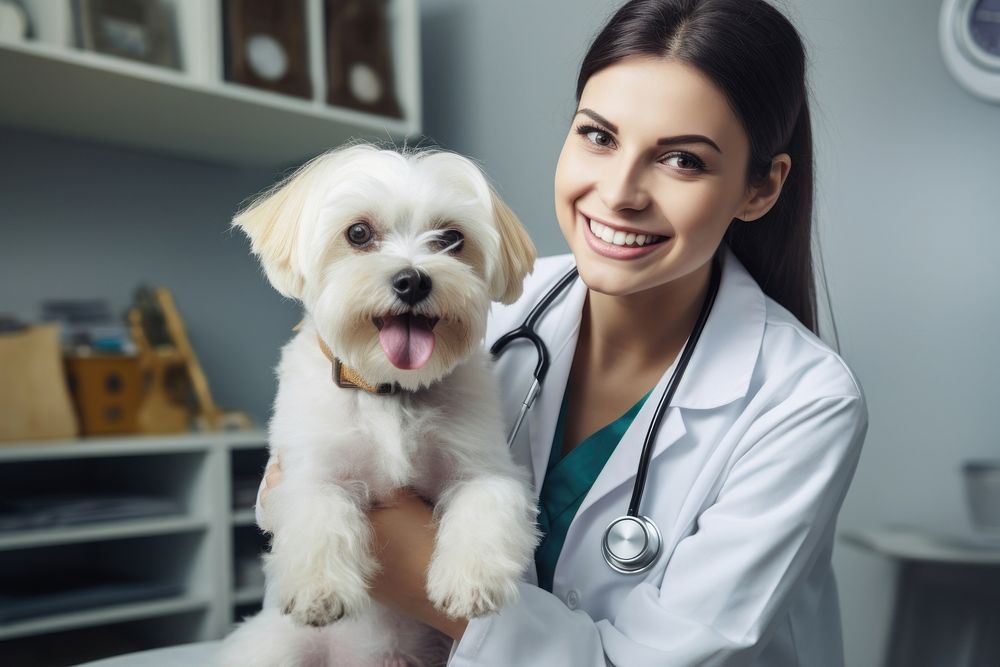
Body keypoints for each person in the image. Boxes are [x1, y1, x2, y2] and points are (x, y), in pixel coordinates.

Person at [257, 0, 869, 664]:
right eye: (599, 136)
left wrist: (402, 556)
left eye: (683, 160)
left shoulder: (804, 401)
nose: (619, 192)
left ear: (759, 188)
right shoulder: (476, 310)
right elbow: (286, 483)